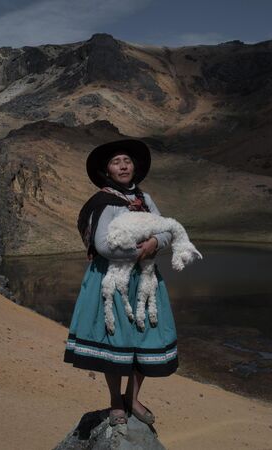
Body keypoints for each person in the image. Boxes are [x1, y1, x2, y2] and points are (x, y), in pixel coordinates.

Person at [64, 139, 178, 427]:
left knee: (143, 335)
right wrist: (138, 252)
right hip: (112, 280)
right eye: (116, 162)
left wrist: (154, 241)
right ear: (107, 171)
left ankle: (133, 397)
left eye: (126, 160)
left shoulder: (145, 199)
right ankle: (116, 400)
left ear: (134, 166)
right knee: (116, 340)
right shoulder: (104, 203)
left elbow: (166, 230)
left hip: (144, 279)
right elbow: (102, 245)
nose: (123, 165)